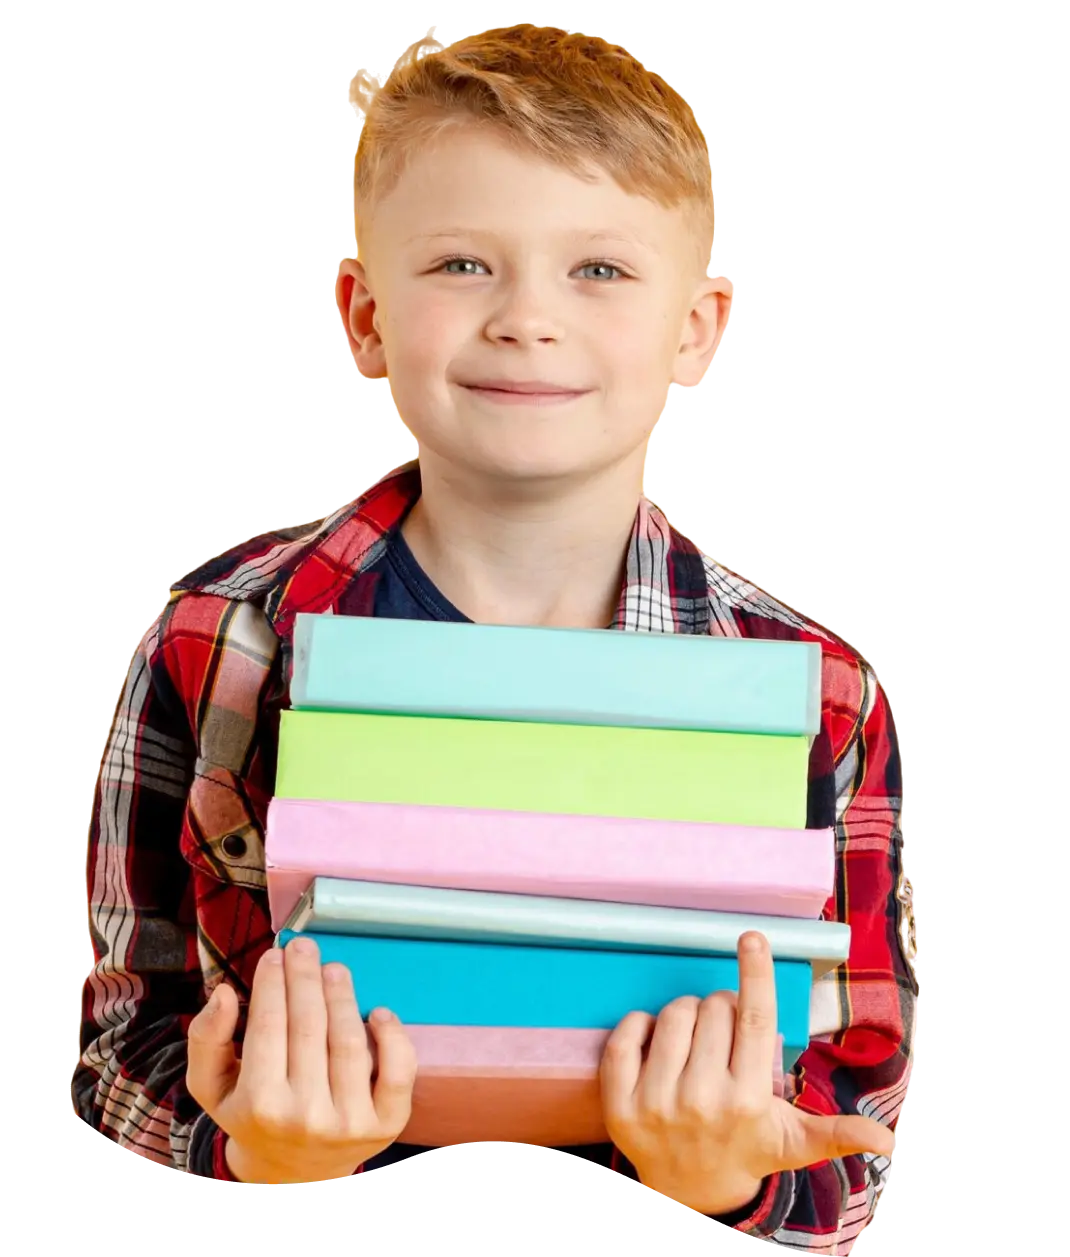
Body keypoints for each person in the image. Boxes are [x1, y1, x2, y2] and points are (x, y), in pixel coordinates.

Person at [73, 22, 917, 1245]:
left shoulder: (814, 694)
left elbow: (856, 1119)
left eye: (600, 271)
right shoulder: (217, 639)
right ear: (361, 318)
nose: (527, 318)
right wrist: (257, 1154)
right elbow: (121, 1053)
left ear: (698, 329)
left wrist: (733, 1181)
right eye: (463, 265)